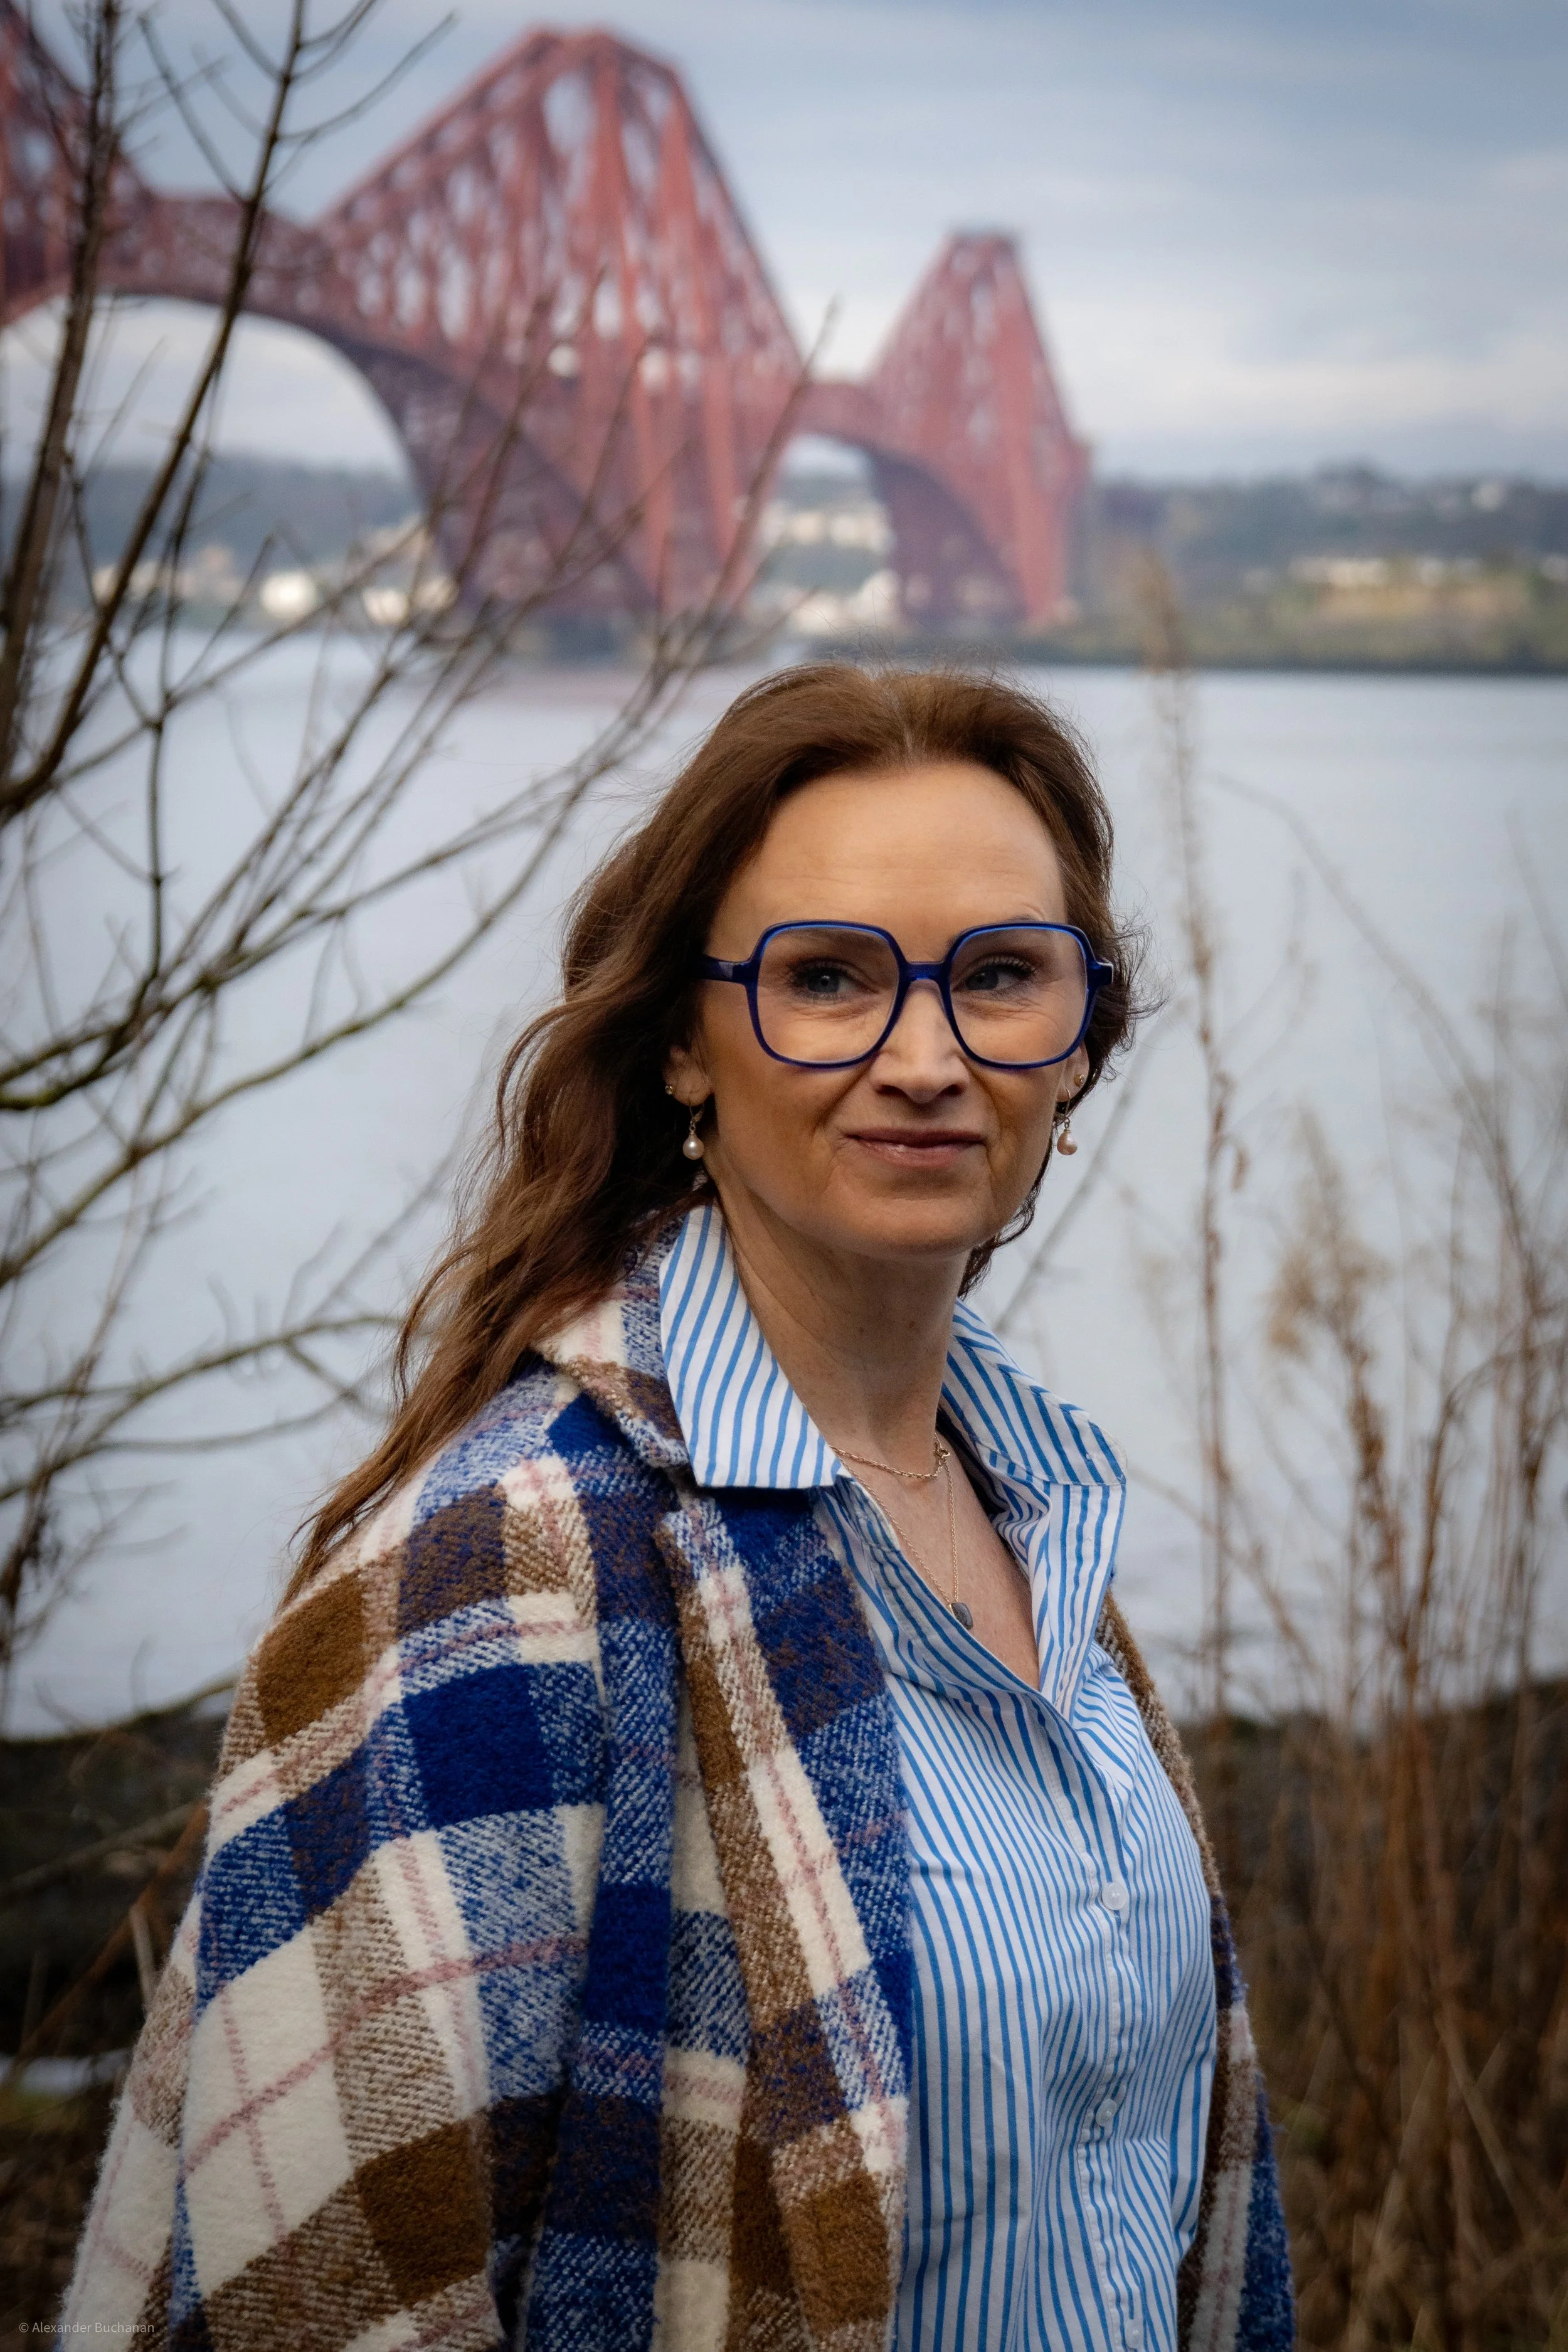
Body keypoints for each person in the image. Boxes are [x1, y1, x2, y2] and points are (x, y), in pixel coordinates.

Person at [65, 665, 1293, 2351]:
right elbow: (322, 2285)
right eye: (825, 977)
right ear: (681, 1048)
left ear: (1076, 1043)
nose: (923, 1055)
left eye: (1000, 976)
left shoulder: (1028, 1518)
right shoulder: (516, 1565)